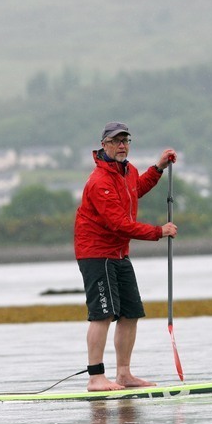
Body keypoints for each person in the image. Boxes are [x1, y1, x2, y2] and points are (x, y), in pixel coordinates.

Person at [74, 121, 178, 391]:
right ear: (104, 145)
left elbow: (136, 189)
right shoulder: (99, 182)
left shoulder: (127, 171)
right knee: (103, 314)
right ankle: (96, 377)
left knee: (131, 313)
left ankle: (124, 375)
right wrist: (158, 231)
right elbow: (118, 223)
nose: (122, 145)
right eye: (116, 141)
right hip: (97, 254)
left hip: (119, 253)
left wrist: (158, 169)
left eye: (126, 140)